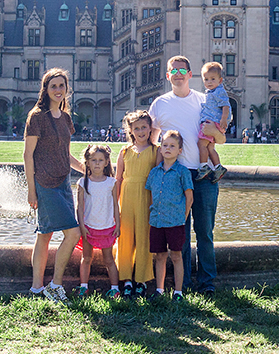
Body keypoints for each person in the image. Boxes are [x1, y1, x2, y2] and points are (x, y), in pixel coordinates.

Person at [149, 55, 218, 294]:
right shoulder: (159, 104)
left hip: (203, 173)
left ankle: (207, 283)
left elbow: (219, 136)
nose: (178, 74)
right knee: (181, 233)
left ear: (190, 75)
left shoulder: (204, 101)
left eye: (182, 70)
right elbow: (152, 141)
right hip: (176, 176)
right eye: (173, 71)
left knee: (205, 231)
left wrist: (215, 133)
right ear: (168, 76)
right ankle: (184, 283)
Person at [24, 68, 86, 303]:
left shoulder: (66, 118)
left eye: (62, 86)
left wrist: (86, 169)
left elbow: (65, 154)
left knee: (45, 234)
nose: (58, 90)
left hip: (62, 182)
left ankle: (36, 288)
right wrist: (31, 190)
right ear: (46, 89)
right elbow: (27, 155)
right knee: (73, 233)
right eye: (54, 86)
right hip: (44, 183)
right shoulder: (37, 116)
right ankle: (55, 286)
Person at [144, 130, 193, 301]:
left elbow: (189, 197)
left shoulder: (182, 172)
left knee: (177, 255)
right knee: (159, 256)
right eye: (164, 145)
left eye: (172, 146)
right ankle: (159, 290)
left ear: (180, 150)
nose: (168, 148)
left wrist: (183, 216)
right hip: (157, 222)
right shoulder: (154, 172)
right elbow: (151, 195)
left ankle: (178, 292)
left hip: (175, 221)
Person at [115, 110, 158, 299]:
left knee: (143, 237)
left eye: (144, 127)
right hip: (127, 197)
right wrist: (114, 205)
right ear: (130, 131)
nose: (141, 131)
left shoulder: (156, 151)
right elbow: (118, 178)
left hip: (146, 197)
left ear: (150, 129)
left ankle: (141, 280)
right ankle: (125, 279)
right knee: (125, 238)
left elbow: (157, 177)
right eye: (136, 128)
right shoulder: (124, 152)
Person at [75, 144, 120, 298]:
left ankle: (115, 288)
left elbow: (115, 205)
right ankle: (83, 287)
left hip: (107, 227)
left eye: (101, 160)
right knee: (86, 258)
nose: (97, 163)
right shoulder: (82, 182)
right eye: (93, 160)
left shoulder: (111, 182)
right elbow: (79, 207)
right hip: (88, 227)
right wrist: (82, 226)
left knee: (109, 260)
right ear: (87, 162)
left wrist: (117, 225)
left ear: (107, 162)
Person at [197, 61, 231, 183]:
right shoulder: (211, 92)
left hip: (213, 123)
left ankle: (203, 166)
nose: (209, 82)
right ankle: (218, 167)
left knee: (201, 144)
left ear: (220, 80)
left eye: (212, 79)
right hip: (215, 123)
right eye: (206, 79)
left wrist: (223, 119)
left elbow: (226, 106)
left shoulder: (218, 91)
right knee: (210, 148)